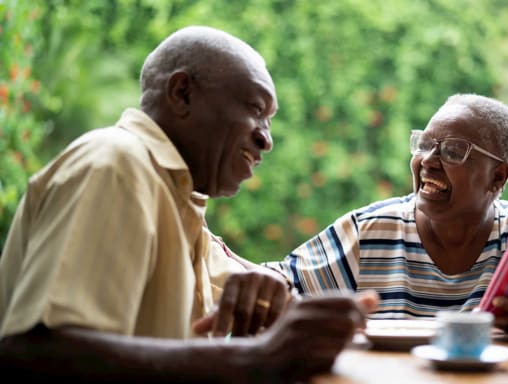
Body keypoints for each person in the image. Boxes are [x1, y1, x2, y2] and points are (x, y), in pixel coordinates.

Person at [0, 25, 378, 383]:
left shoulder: (177, 199)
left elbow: (253, 287)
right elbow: (37, 353)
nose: (267, 140)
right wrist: (254, 359)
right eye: (255, 109)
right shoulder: (115, 165)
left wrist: (274, 297)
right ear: (182, 93)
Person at [265, 93, 508, 332]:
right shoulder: (372, 229)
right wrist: (265, 285)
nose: (427, 160)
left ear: (497, 177)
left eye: (453, 151)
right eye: (424, 144)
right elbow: (282, 280)